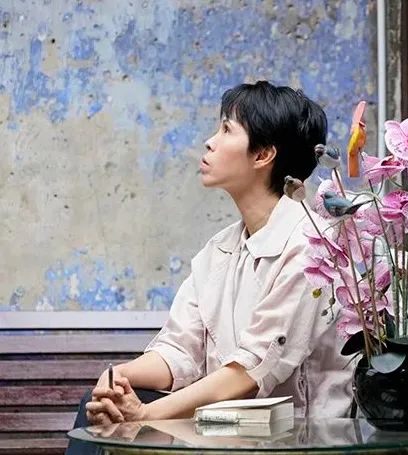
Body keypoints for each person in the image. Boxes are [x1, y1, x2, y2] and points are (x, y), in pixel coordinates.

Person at [66, 81, 352, 454]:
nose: (209, 142)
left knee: (124, 425)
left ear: (263, 154)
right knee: (98, 407)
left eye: (226, 130)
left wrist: (146, 415)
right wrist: (118, 376)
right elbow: (179, 350)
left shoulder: (311, 246)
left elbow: (251, 372)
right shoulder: (218, 250)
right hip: (222, 428)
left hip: (293, 439)